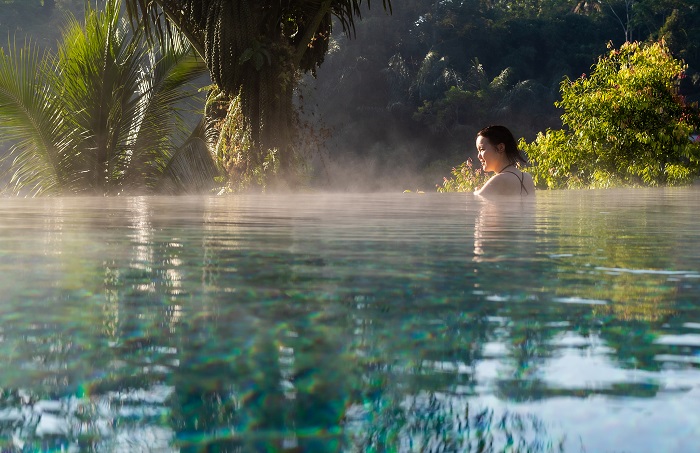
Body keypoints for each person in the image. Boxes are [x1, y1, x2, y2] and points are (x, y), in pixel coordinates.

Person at [473, 125, 535, 197]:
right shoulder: (527, 177)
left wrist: (476, 192)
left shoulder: (499, 180)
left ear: (501, 148)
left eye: (482, 149)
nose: (479, 156)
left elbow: (478, 203)